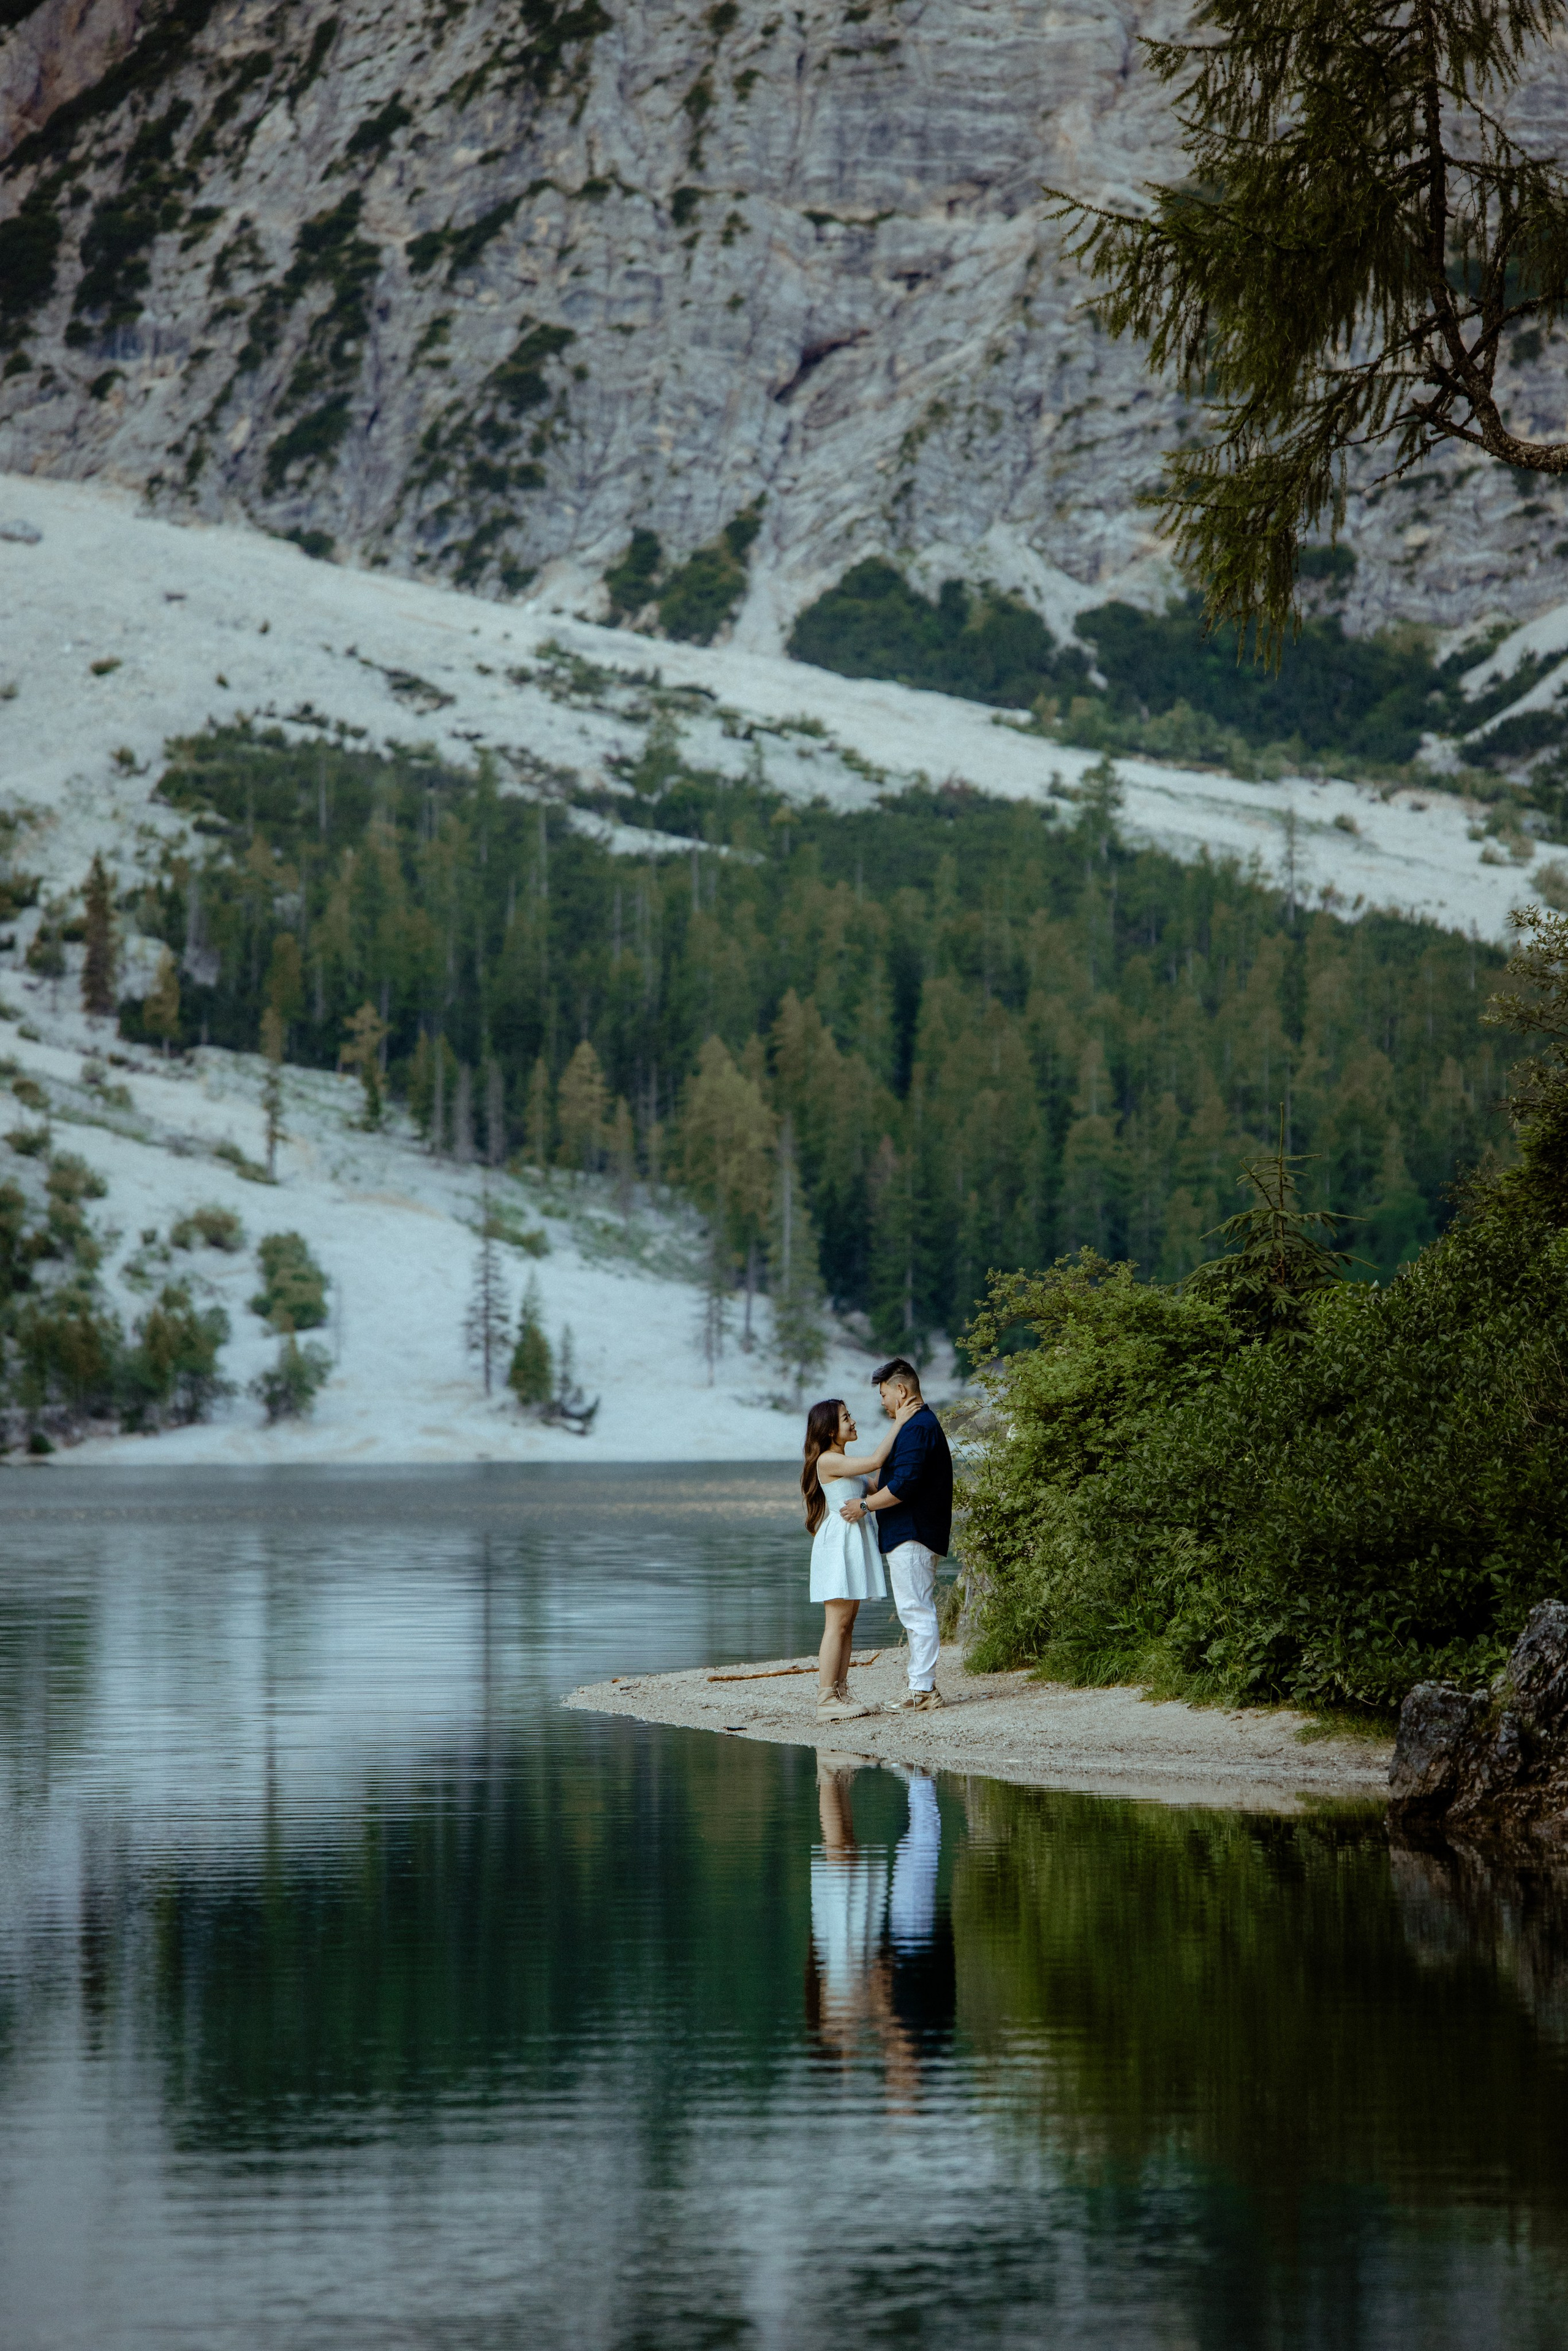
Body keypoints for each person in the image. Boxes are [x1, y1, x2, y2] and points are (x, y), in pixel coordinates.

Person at [839, 1356, 953, 1711]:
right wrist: (857, 1483)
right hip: (913, 1530)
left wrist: (865, 1507)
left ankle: (923, 1691)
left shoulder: (918, 1427)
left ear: (901, 1391)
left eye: (884, 1394)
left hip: (913, 1532)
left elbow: (904, 1486)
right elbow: (898, 1479)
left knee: (916, 1610)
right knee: (914, 1608)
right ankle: (920, 1687)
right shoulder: (916, 1425)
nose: (883, 1403)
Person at [800, 1393, 918, 1721]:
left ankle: (840, 1690)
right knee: (836, 1624)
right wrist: (899, 1422)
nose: (853, 1421)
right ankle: (826, 1699)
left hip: (852, 1543)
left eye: (850, 1415)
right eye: (846, 1417)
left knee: (847, 1625)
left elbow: (879, 1483)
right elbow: (878, 1460)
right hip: (838, 1544)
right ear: (828, 1431)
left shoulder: (846, 1465)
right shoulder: (827, 1460)